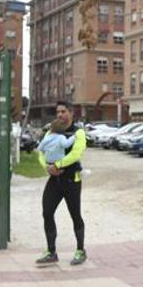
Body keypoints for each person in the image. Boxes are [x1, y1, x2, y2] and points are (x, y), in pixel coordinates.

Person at [35, 101, 87, 266]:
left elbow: (75, 154)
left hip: (72, 180)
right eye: (58, 112)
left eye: (63, 111)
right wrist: (47, 167)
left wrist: (58, 165)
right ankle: (51, 251)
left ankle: (80, 250)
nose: (59, 115)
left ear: (71, 113)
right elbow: (41, 152)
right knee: (47, 212)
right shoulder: (51, 131)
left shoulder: (78, 132)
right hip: (54, 179)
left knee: (75, 215)